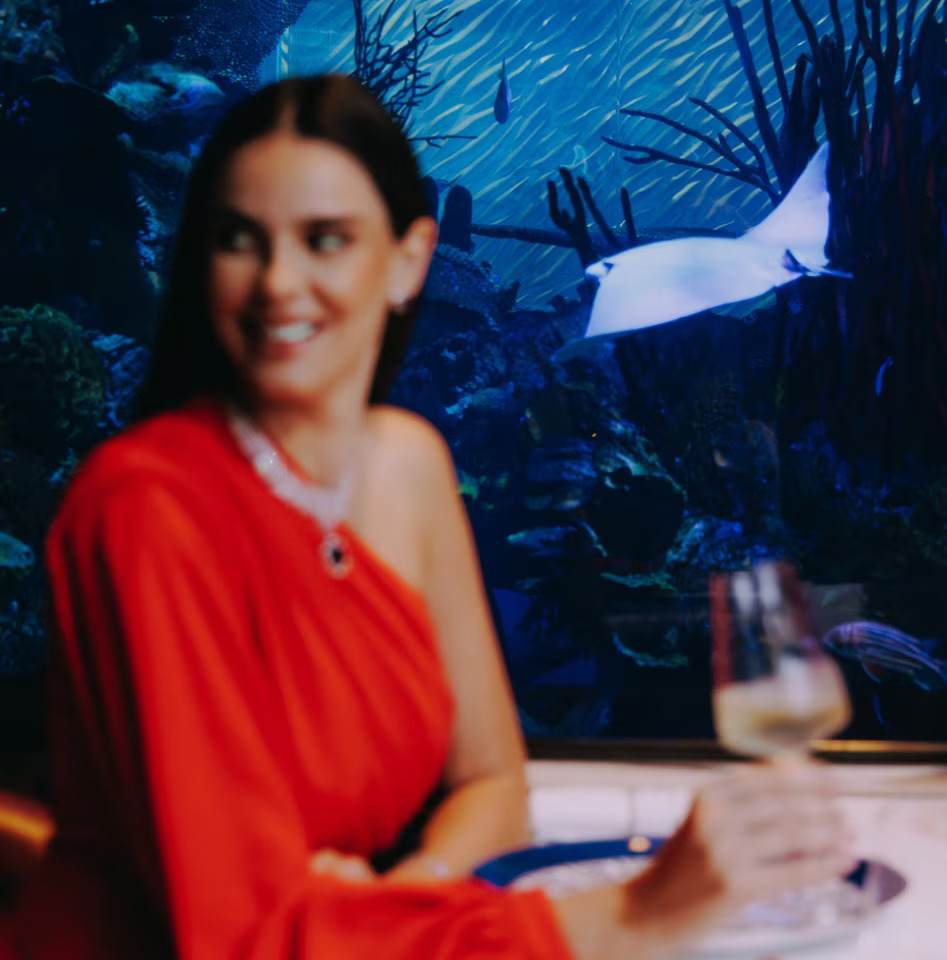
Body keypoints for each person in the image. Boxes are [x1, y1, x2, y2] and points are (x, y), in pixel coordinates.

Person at [2, 74, 851, 959]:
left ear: (409, 260)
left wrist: (400, 906)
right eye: (238, 239)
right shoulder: (144, 504)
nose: (279, 283)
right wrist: (635, 914)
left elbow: (492, 783)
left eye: (326, 239)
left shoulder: (407, 462)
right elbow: (233, 931)